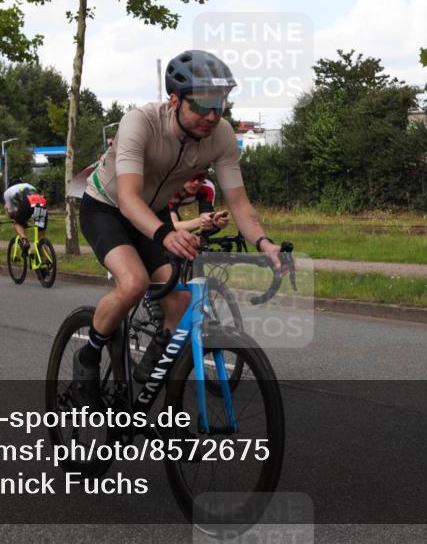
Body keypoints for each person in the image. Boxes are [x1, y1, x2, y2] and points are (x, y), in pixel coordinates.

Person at [74, 49, 283, 409]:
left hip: (151, 214)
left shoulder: (222, 136)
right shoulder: (139, 123)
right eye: (202, 107)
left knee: (181, 303)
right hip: (107, 207)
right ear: (174, 100)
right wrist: (165, 233)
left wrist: (264, 242)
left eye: (220, 106)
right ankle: (88, 358)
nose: (212, 116)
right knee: (134, 282)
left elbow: (238, 202)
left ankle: (149, 390)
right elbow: (127, 199)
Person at [166, 172, 231, 233]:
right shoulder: (168, 187)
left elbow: (206, 218)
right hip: (159, 207)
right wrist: (199, 221)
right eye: (191, 177)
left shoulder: (207, 187)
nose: (196, 182)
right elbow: (173, 226)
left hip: (173, 205)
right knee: (172, 233)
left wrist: (216, 220)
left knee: (186, 235)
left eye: (200, 178)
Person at [3, 177, 48, 249]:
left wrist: (13, 217)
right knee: (41, 237)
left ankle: (24, 242)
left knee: (17, 223)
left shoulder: (7, 192)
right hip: (41, 202)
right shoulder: (29, 185)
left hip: (27, 202)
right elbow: (31, 206)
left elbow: (11, 212)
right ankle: (45, 257)